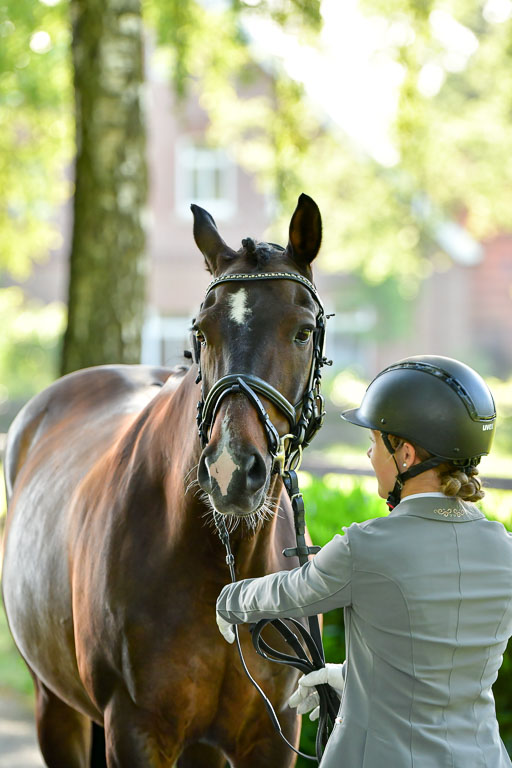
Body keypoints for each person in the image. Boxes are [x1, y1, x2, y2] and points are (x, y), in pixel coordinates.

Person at [216, 355, 512, 767]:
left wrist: (229, 599)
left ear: (405, 455)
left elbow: (290, 591)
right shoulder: (505, 550)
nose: (370, 457)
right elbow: (443, 660)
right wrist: (355, 680)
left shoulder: (366, 546)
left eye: (374, 443)